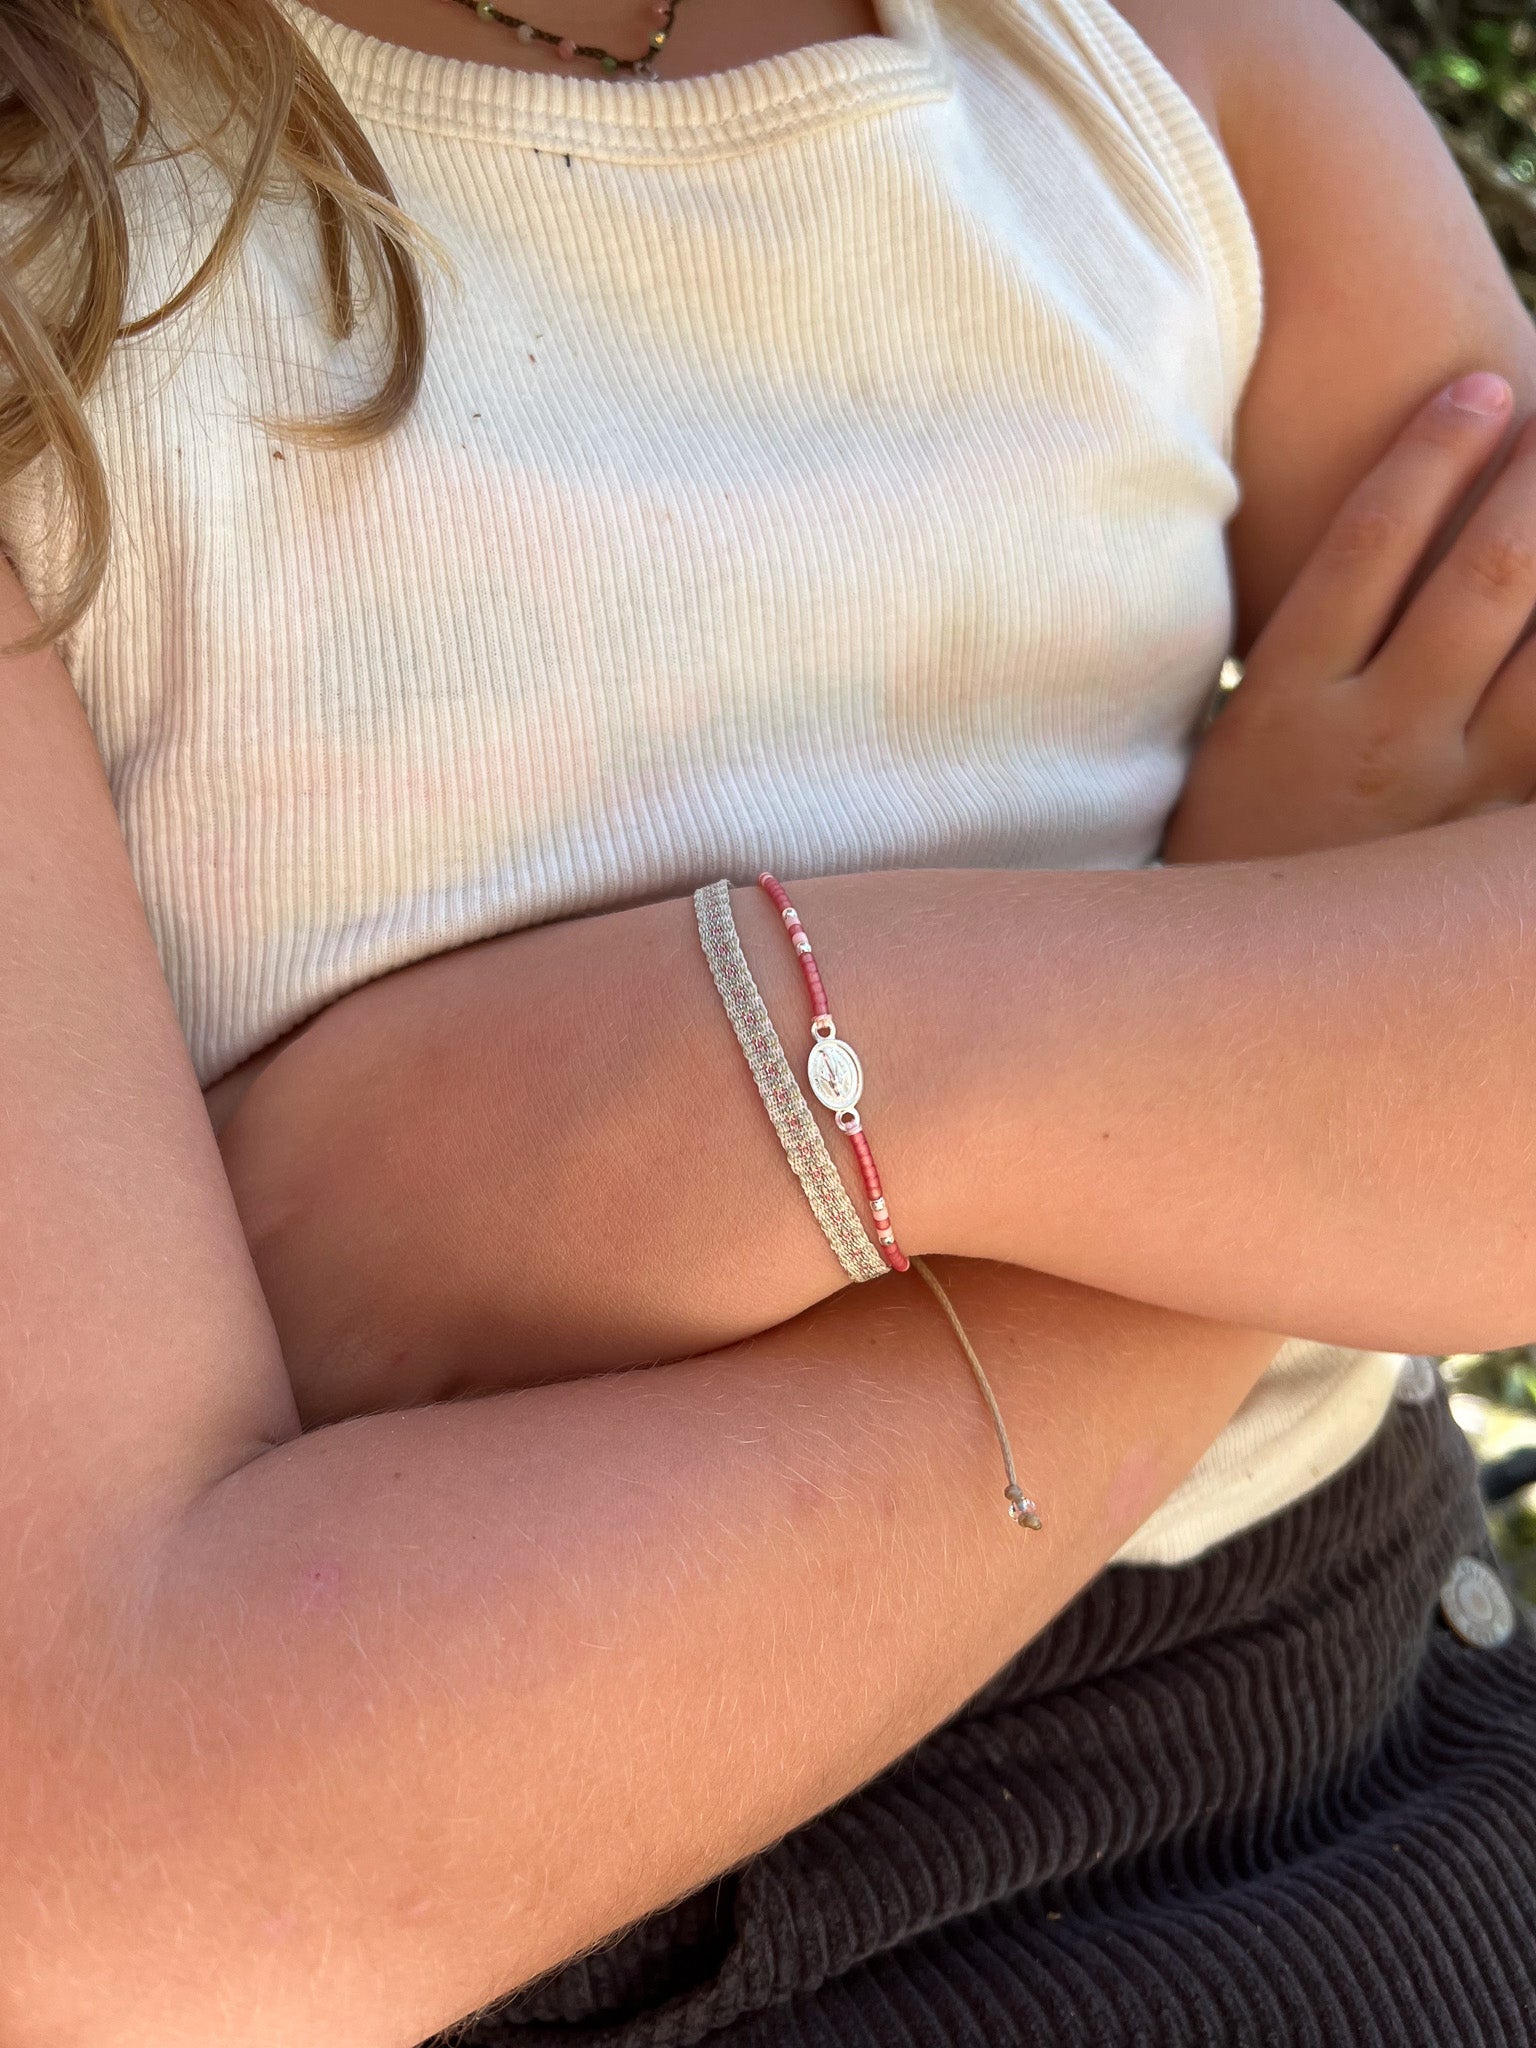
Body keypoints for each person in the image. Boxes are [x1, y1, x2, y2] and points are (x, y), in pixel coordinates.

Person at [0, 0, 1532, 2043]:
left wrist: (726, 1084)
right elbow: (133, 1875)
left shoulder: (1169, 64)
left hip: (1376, 1756)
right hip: (535, 1915)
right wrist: (1280, 1074)